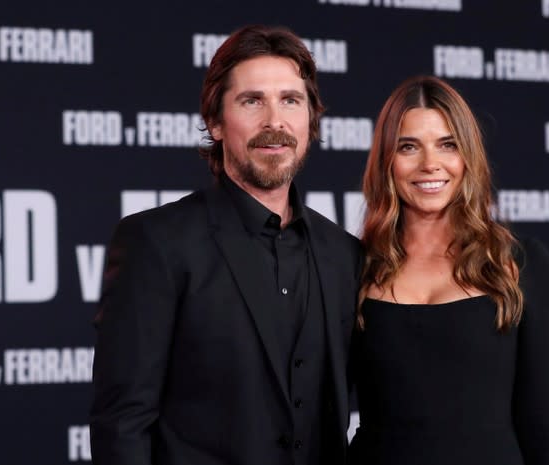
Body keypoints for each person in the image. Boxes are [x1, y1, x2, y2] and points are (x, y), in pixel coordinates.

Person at [90, 25, 362, 465]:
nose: (275, 121)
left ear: (310, 122)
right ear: (215, 122)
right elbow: (122, 424)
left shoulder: (345, 255)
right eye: (252, 101)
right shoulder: (156, 242)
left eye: (291, 101)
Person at [348, 76, 549, 465]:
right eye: (408, 147)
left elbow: (543, 420)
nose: (430, 164)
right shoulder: (352, 267)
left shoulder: (519, 264)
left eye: (447, 145)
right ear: (387, 159)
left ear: (467, 155)